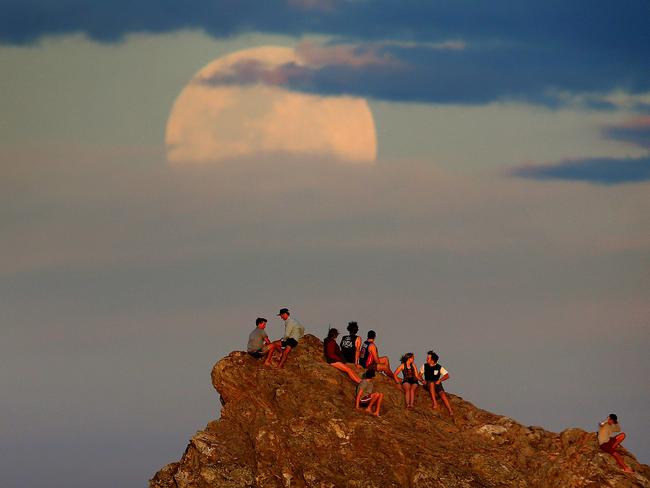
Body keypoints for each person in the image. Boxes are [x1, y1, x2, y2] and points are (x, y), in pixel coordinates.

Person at [420, 351, 453, 416]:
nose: (426, 359)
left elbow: (447, 375)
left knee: (442, 394)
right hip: (428, 383)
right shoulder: (425, 366)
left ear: (432, 360)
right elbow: (419, 375)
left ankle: (450, 410)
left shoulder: (439, 367)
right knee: (432, 384)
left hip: (437, 383)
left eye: (428, 358)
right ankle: (435, 403)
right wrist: (422, 381)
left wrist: (440, 380)